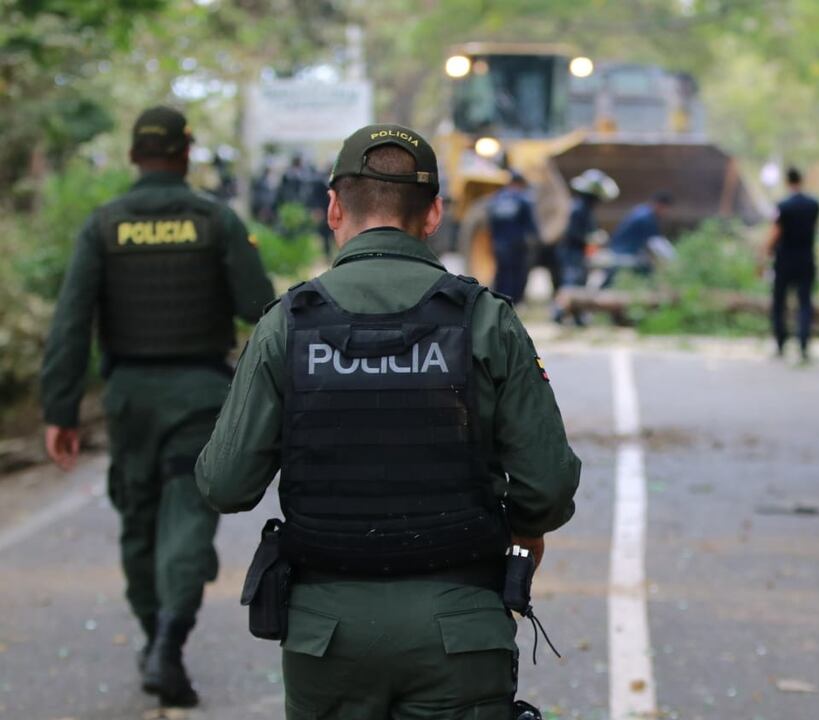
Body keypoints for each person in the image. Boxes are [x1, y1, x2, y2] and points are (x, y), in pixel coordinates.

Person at [195, 124, 580, 719]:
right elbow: (547, 486)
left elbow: (225, 484)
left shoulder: (287, 324)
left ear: (333, 208)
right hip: (460, 628)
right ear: (434, 214)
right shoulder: (485, 319)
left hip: (326, 638)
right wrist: (525, 532)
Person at [40, 106, 275, 707]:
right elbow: (259, 305)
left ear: (132, 156)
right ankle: (170, 638)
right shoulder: (215, 220)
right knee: (188, 513)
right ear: (186, 153)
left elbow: (71, 324)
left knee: (139, 517)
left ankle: (153, 637)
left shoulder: (104, 225)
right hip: (198, 395)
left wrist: (60, 410)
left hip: (130, 400)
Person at [766, 167, 819, 360]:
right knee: (805, 302)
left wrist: (764, 253)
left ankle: (781, 342)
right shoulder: (813, 205)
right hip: (806, 258)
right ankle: (803, 343)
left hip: (785, 259)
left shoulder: (783, 206)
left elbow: (776, 232)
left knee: (779, 303)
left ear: (787, 181)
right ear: (801, 179)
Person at [555, 169, 618, 326]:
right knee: (571, 283)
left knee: (579, 284)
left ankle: (577, 316)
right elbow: (572, 233)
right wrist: (590, 237)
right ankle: (559, 313)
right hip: (571, 252)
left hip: (578, 252)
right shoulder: (578, 209)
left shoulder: (584, 209)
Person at [487, 171, 541, 303]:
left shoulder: (497, 199)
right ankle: (513, 300)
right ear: (520, 183)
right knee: (517, 274)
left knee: (502, 272)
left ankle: (498, 298)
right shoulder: (522, 199)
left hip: (499, 244)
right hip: (517, 245)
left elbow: (490, 222)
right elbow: (530, 224)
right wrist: (537, 239)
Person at [606, 191, 673, 284]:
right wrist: (672, 258)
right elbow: (656, 243)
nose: (665, 212)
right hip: (624, 252)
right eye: (665, 208)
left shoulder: (642, 210)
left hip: (619, 249)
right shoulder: (646, 218)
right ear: (660, 205)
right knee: (646, 269)